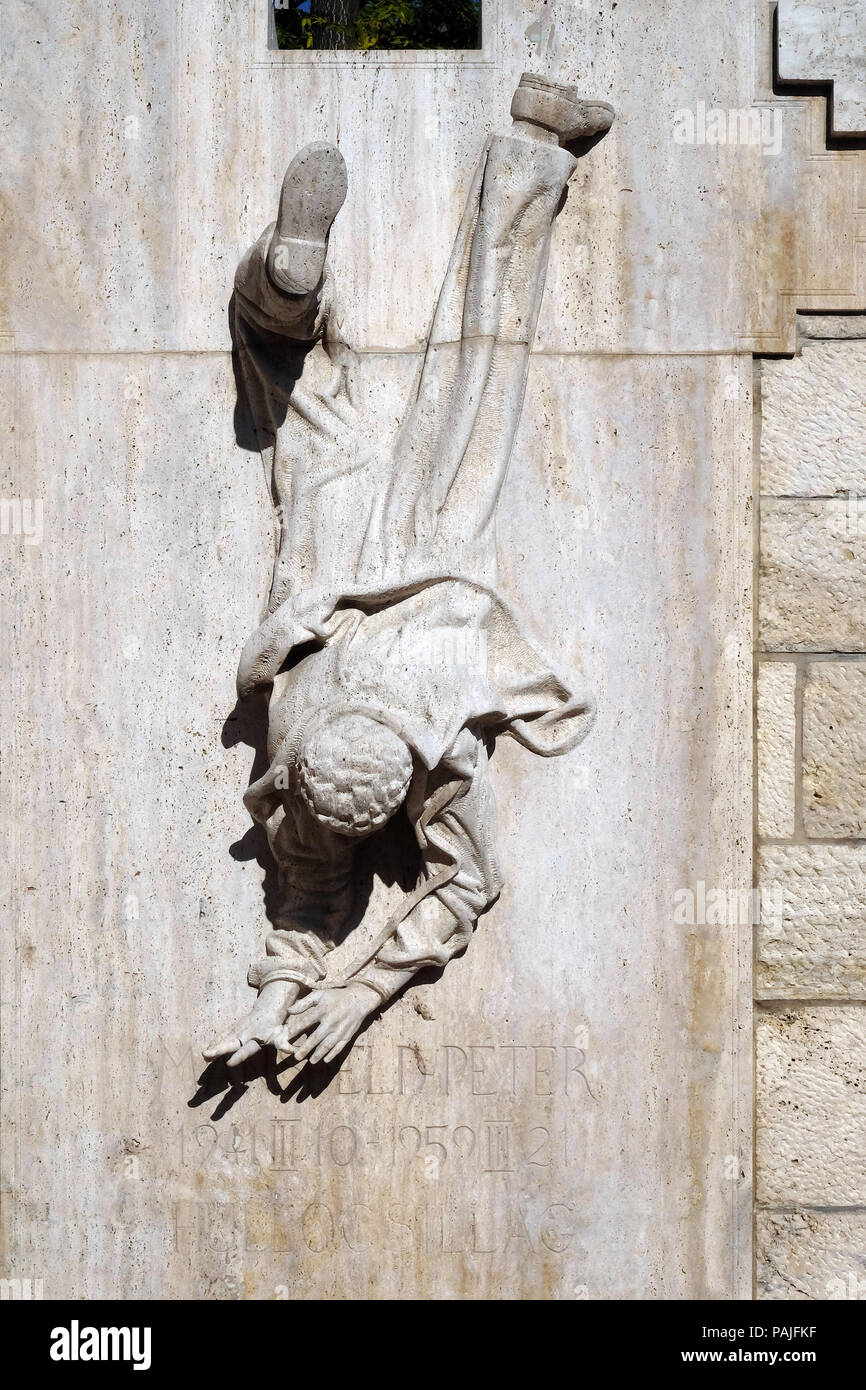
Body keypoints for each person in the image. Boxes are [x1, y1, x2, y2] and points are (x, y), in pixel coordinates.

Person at [204, 74, 613, 1070]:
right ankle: (287, 284)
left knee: (443, 381)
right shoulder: (412, 766)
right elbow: (454, 887)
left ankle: (296, 273)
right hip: (367, 578)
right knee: (305, 396)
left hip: (366, 574)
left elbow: (325, 897)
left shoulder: (411, 766)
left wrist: (315, 990)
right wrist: (335, 991)